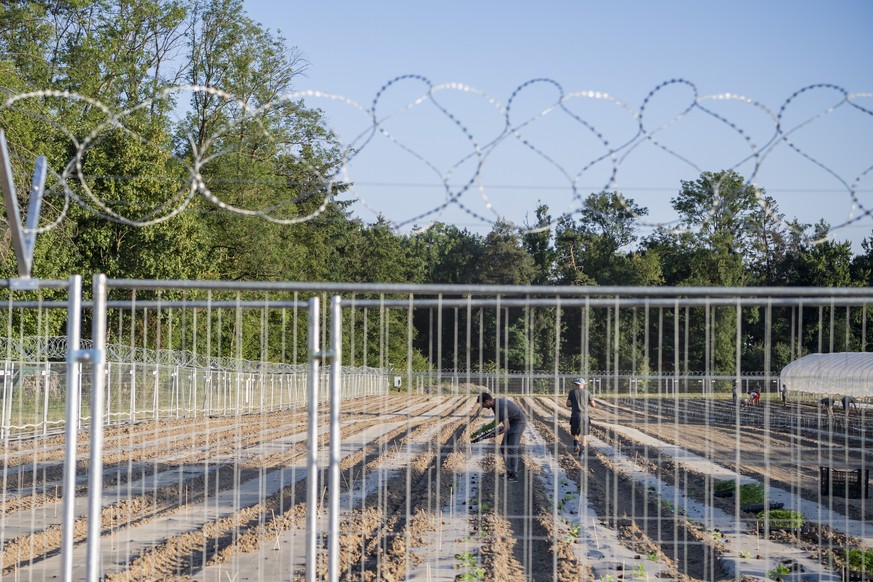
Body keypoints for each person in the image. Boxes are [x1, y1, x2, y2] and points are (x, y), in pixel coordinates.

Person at [473, 392, 527, 482]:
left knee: (512, 449)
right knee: (503, 448)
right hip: (512, 422)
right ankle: (509, 471)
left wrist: (493, 434)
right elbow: (496, 422)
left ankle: (514, 475)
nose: (483, 407)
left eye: (483, 404)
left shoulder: (500, 407)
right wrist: (484, 432)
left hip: (518, 423)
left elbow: (506, 427)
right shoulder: (495, 405)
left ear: (487, 401)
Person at [566, 377, 596, 454]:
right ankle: (582, 450)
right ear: (583, 385)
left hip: (575, 416)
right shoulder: (587, 392)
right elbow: (593, 405)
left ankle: (576, 444)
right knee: (583, 434)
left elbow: (568, 404)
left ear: (576, 384)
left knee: (575, 433)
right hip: (585, 416)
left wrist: (573, 404)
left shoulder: (572, 392)